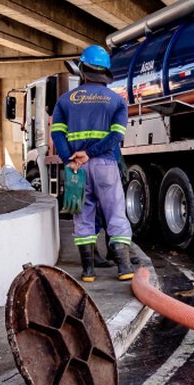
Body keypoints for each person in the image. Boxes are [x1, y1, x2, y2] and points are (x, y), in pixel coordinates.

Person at [52, 45, 136, 282]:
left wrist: (70, 159)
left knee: (82, 215)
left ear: (82, 69)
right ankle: (124, 267)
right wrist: (90, 153)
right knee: (115, 212)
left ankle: (88, 270)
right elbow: (116, 136)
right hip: (105, 165)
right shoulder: (116, 101)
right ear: (105, 73)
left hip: (75, 167)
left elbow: (57, 134)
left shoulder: (64, 101)